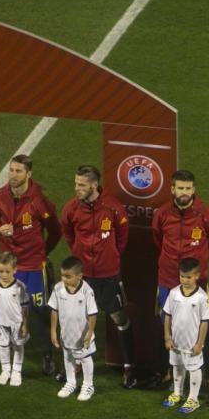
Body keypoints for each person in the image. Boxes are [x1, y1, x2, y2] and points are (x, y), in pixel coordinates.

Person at [0, 154, 63, 375]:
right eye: (11, 170)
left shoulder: (40, 201)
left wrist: (42, 252)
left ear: (29, 174)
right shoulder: (0, 196)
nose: (13, 175)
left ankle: (47, 355)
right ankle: (0, 349)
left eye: (18, 171)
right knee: (2, 309)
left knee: (40, 310)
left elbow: (56, 231)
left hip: (33, 266)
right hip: (9, 266)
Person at [60, 164, 137, 388]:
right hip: (82, 276)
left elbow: (122, 238)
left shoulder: (113, 207)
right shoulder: (71, 209)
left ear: (94, 185)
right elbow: (68, 235)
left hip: (107, 275)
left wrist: (110, 256)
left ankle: (129, 366)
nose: (77, 188)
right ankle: (76, 364)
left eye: (81, 185)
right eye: (76, 184)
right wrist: (80, 256)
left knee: (118, 318)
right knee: (78, 318)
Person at [151, 169, 209, 393]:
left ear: (194, 189)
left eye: (188, 188)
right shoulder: (162, 214)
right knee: (166, 323)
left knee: (205, 325)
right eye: (180, 188)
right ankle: (168, 371)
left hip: (197, 283)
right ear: (172, 189)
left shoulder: (206, 214)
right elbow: (157, 239)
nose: (184, 192)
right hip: (168, 279)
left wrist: (196, 266)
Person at [160, 258, 209, 415]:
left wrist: (199, 343)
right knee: (177, 366)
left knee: (193, 368)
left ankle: (193, 399)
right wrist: (167, 337)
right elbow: (167, 315)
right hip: (176, 341)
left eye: (188, 277)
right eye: (182, 276)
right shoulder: (174, 293)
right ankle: (178, 392)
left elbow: (204, 322)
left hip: (192, 343)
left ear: (197, 276)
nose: (185, 280)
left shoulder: (202, 297)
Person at [48, 256, 98, 401]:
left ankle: (89, 385)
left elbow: (93, 314)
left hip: (82, 335)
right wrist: (53, 331)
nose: (64, 279)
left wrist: (89, 332)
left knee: (85, 358)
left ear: (79, 276)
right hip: (66, 333)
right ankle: (71, 382)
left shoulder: (87, 291)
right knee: (68, 357)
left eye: (68, 276)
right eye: (62, 275)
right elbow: (54, 310)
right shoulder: (58, 289)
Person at [0, 252, 30, 386]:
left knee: (18, 345)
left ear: (15, 270)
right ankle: (5, 370)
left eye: (7, 271)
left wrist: (24, 324)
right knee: (3, 346)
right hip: (0, 322)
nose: (4, 275)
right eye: (1, 271)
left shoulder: (20, 287)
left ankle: (17, 371)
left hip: (16, 322)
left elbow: (24, 308)